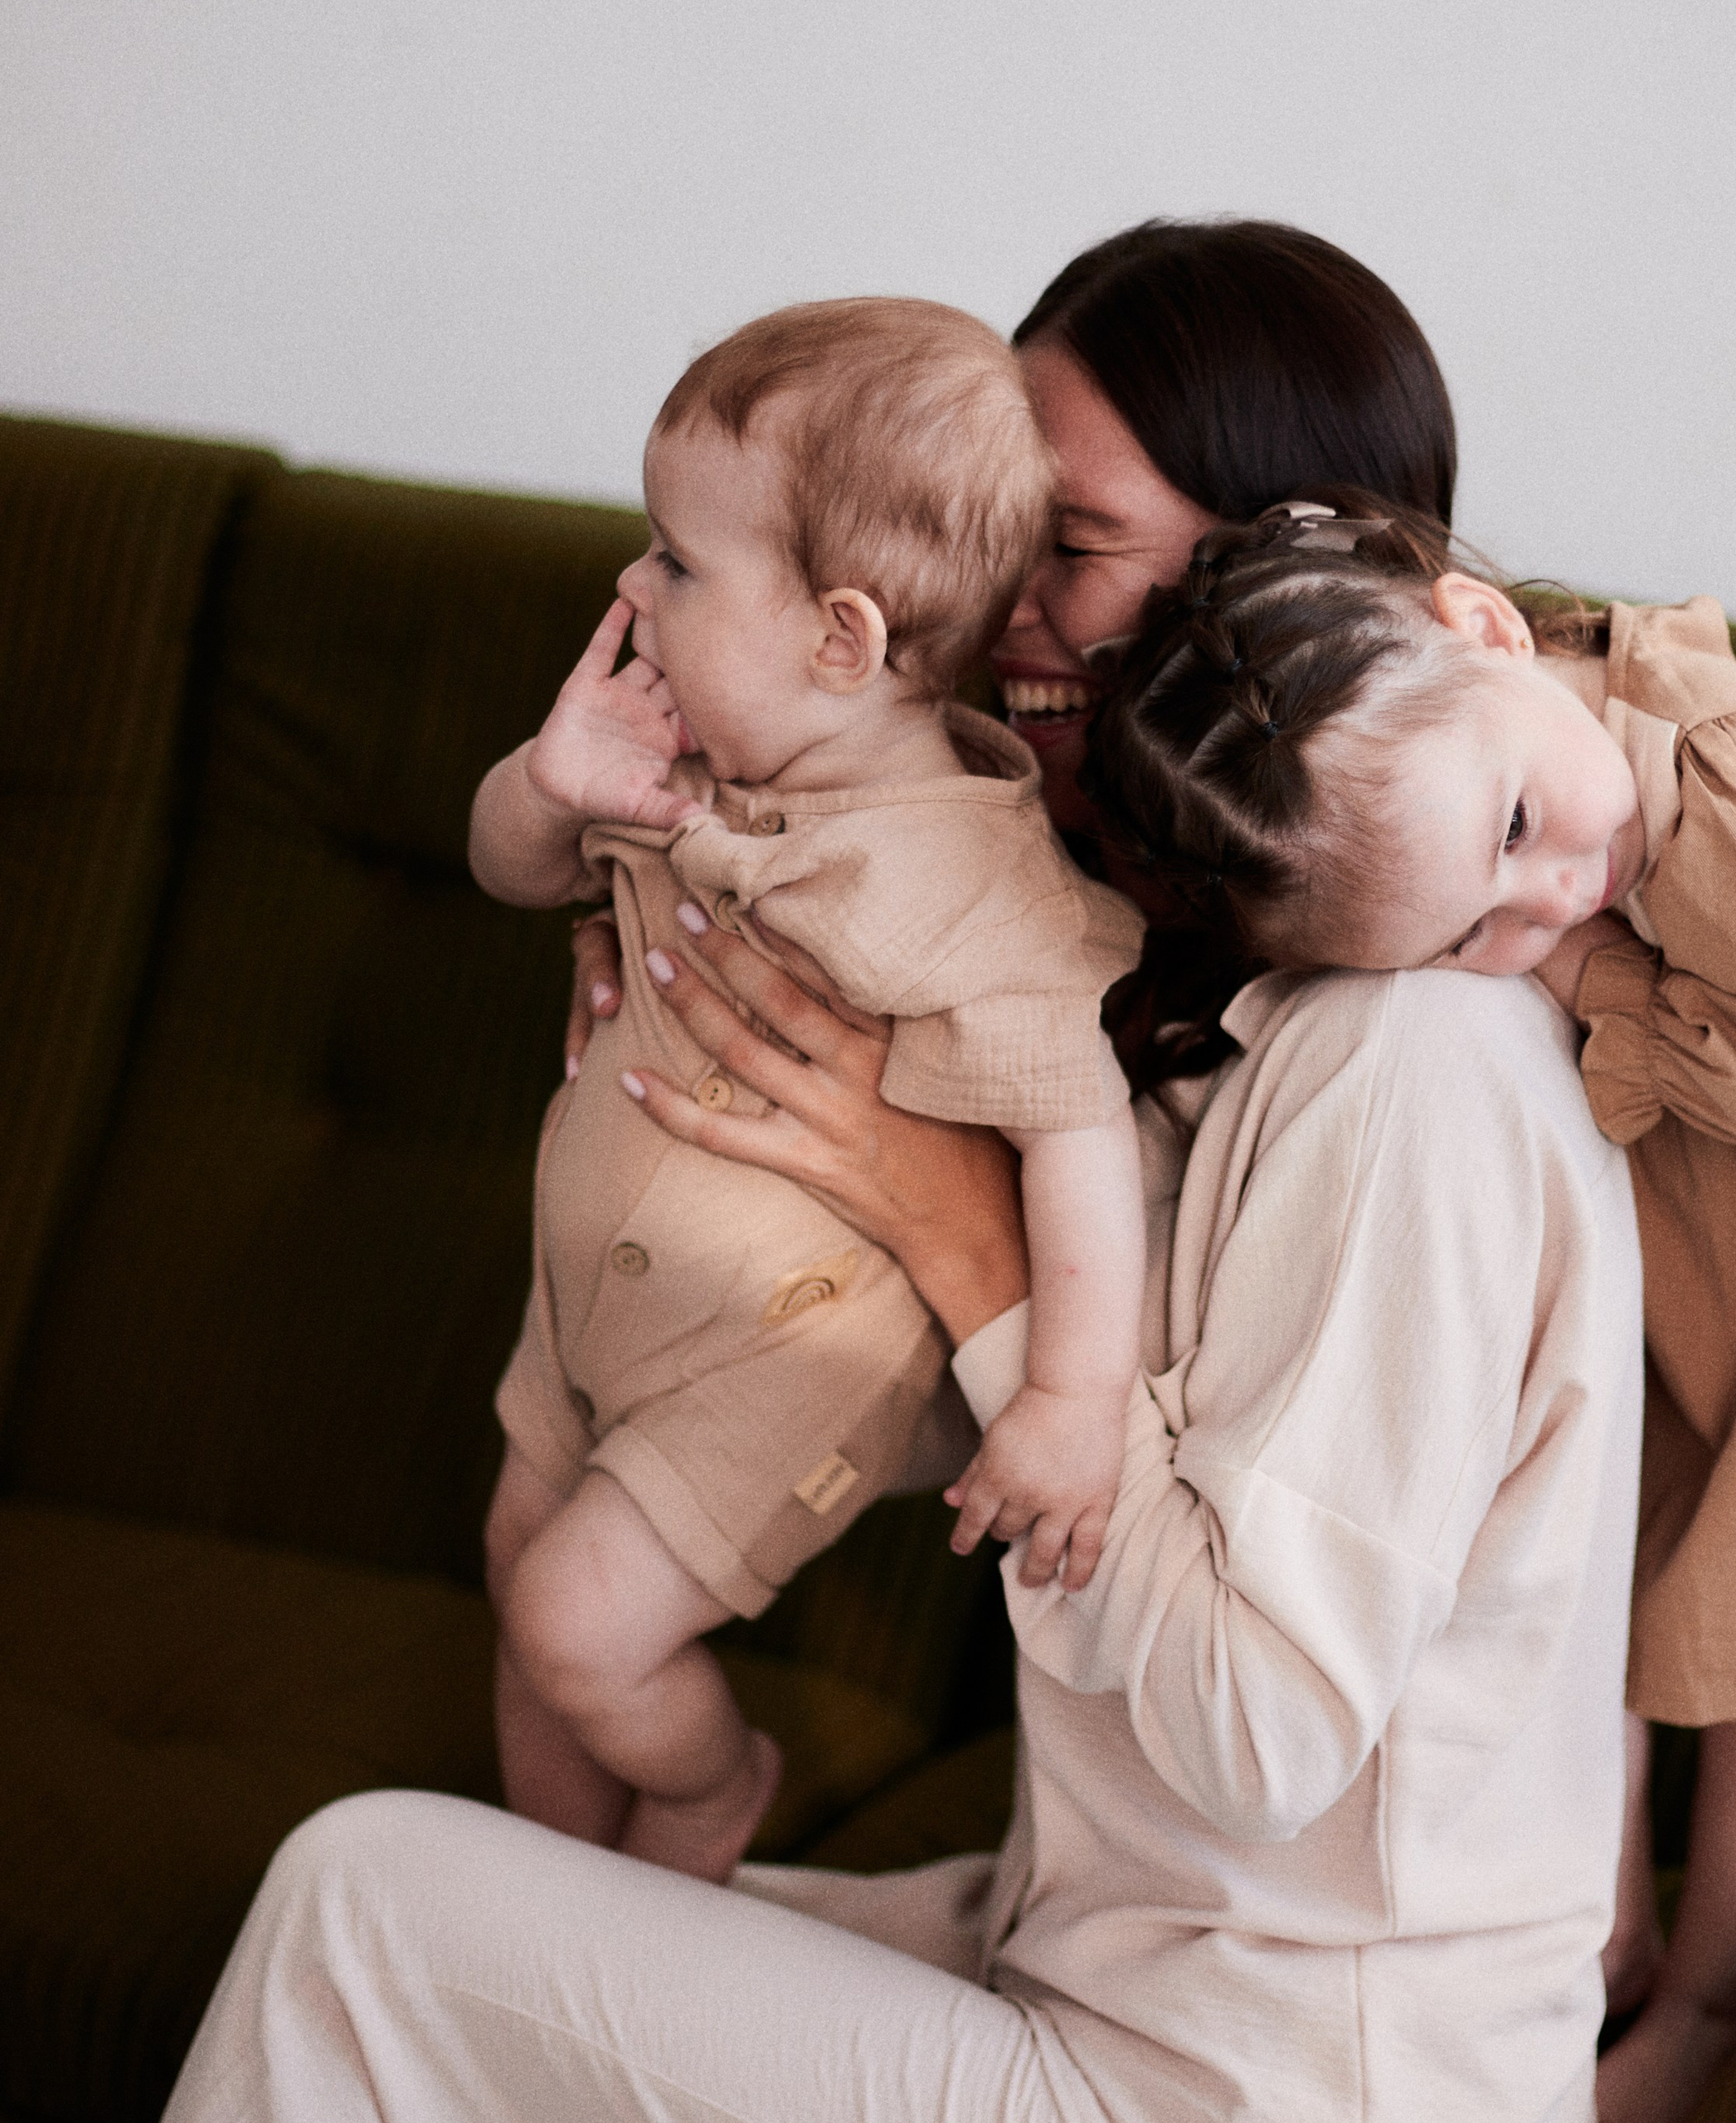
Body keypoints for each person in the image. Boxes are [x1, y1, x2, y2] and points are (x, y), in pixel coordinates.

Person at [165, 221, 1647, 2123]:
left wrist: (957, 1236)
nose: (980, 586)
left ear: (1271, 578)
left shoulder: (1411, 1065)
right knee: (550, 1914)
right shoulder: (1164, 977)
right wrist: (652, 888)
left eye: (1066, 540)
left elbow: (1257, 1734)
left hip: (1259, 2076)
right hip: (1103, 1957)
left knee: (359, 1904)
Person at [1079, 494, 1736, 2123]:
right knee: (1602, 1622)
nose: (1552, 892)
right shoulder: (1475, 755)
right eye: (1477, 927)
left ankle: (1707, 2002)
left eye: (1524, 825)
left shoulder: (1717, 760)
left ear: (1480, 625)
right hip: (1683, 1230)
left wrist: (1565, 970)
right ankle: (1601, 1946)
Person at [465, 296, 1145, 1885]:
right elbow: (508, 870)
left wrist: (1070, 1398)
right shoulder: (691, 752)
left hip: (782, 1356)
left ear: (841, 638)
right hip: (585, 1313)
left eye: (679, 563)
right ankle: (531, 1910)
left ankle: (707, 1793)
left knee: (578, 1622)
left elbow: (1077, 1126)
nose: (633, 585)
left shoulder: (973, 878)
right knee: (518, 1577)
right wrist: (547, 788)